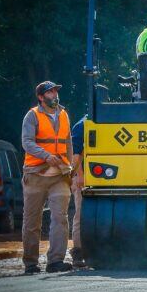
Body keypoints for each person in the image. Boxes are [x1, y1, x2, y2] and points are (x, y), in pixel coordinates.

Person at [21, 81, 74, 274]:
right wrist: (46, 156)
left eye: (55, 91)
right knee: (32, 221)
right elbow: (26, 143)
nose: (54, 94)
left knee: (60, 218)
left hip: (60, 175)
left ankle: (55, 261)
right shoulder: (32, 115)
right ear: (41, 97)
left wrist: (70, 166)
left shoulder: (64, 114)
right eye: (50, 92)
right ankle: (31, 263)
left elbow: (68, 142)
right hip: (35, 175)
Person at [69, 114, 87, 268]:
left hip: (96, 177)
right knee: (80, 215)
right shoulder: (81, 126)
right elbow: (75, 156)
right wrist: (80, 176)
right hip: (82, 177)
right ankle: (78, 253)